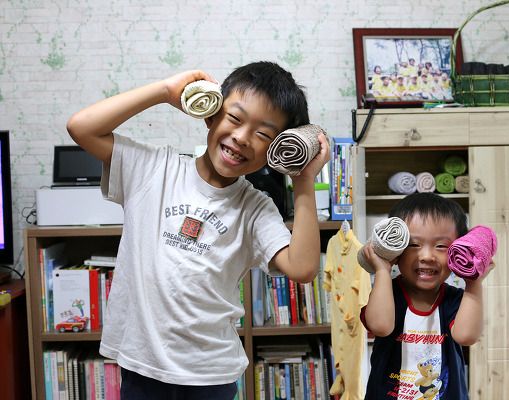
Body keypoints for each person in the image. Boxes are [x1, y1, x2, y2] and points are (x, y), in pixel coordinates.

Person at [66, 61, 330, 399]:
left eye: (263, 134)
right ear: (211, 114)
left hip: (211, 374)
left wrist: (304, 181)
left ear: (275, 150)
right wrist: (165, 91)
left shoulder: (255, 208)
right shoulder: (153, 169)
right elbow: (81, 128)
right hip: (143, 366)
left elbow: (303, 267)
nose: (241, 138)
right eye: (235, 118)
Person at [359, 192, 494, 400]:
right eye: (414, 245)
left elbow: (466, 336)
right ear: (396, 248)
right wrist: (382, 270)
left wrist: (474, 282)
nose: (427, 256)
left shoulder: (455, 299)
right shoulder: (386, 293)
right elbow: (380, 326)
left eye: (441, 246)